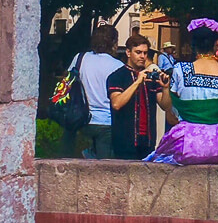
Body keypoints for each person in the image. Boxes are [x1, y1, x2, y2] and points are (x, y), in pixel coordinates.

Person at [146, 18, 218, 165]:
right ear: (216, 44)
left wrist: (165, 88)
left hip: (185, 144)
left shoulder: (180, 70)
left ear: (193, 45)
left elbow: (168, 109)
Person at [106, 33, 173, 160]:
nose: (142, 56)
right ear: (128, 52)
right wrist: (137, 81)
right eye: (138, 52)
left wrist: (165, 88)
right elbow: (116, 104)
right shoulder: (117, 76)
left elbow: (165, 106)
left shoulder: (151, 77)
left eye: (145, 53)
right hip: (124, 141)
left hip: (147, 140)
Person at [61, 22, 123, 159]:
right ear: (113, 43)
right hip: (107, 122)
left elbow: (67, 80)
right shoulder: (118, 66)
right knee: (104, 169)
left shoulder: (80, 58)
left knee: (74, 164)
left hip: (80, 120)